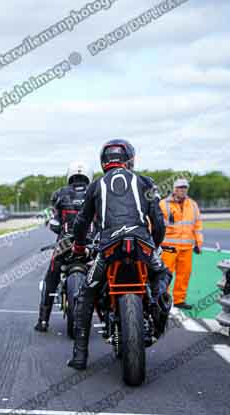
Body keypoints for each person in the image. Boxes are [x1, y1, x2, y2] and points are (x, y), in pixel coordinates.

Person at [68, 139, 172, 370]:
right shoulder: (145, 182)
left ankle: (80, 356)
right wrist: (154, 245)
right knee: (163, 274)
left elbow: (82, 222)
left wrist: (78, 246)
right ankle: (157, 304)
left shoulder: (96, 186)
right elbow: (158, 221)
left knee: (86, 293)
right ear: (129, 159)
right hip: (142, 246)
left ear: (104, 161)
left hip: (108, 249)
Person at [34, 161, 92, 332]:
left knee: (50, 278)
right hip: (91, 244)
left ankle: (43, 321)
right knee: (107, 276)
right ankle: (115, 320)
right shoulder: (96, 191)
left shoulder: (59, 194)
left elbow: (54, 223)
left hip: (65, 244)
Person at [159, 177, 203, 309]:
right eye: (180, 188)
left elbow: (197, 225)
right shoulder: (163, 204)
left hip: (187, 248)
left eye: (185, 188)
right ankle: (163, 299)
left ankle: (179, 300)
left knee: (184, 275)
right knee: (165, 275)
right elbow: (155, 224)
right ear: (174, 189)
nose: (183, 190)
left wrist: (198, 243)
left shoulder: (193, 205)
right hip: (168, 248)